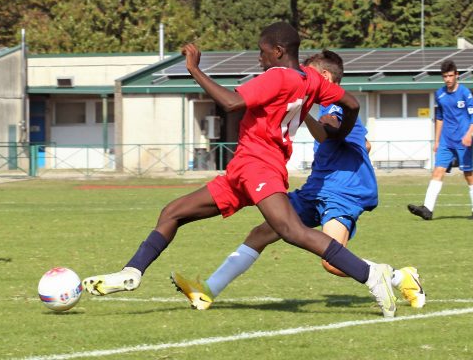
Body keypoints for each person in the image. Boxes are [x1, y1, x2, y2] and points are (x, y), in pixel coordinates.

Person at [82, 22, 398, 318]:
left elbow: (232, 103)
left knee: (290, 231)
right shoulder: (310, 80)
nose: (259, 59)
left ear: (277, 51)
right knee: (173, 212)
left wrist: (194, 70)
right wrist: (338, 134)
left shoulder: (277, 76)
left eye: (261, 52)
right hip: (242, 170)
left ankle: (372, 275)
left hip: (260, 168)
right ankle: (131, 273)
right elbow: (352, 104)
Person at [170, 50, 425, 311]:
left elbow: (329, 129)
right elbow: (365, 143)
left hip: (341, 194)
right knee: (261, 233)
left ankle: (398, 276)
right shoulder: (328, 107)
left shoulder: (334, 106)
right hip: (316, 190)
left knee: (331, 263)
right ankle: (208, 291)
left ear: (324, 76)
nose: (302, 76)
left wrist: (308, 116)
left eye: (308, 71)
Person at [407, 60, 473, 221]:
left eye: (450, 75)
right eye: (445, 76)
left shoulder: (465, 93)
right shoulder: (439, 94)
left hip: (463, 141)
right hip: (446, 142)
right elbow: (439, 118)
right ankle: (427, 209)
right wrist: (436, 141)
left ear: (457, 75)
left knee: (468, 174)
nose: (448, 79)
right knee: (437, 172)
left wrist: (469, 134)